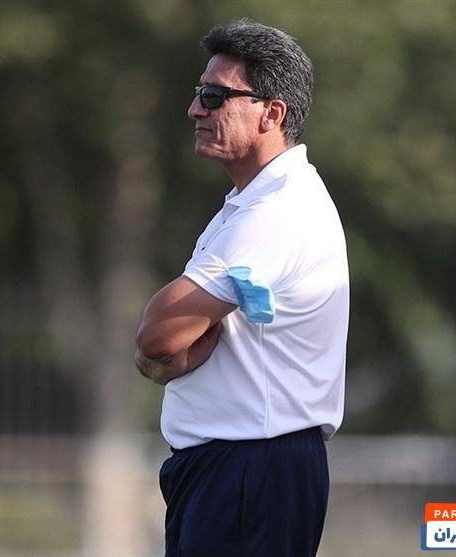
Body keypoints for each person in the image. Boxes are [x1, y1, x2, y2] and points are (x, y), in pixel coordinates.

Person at [134, 18, 349, 557]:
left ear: (271, 113)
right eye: (198, 93)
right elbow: (161, 347)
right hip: (238, 469)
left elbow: (157, 335)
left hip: (251, 471)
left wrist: (165, 354)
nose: (195, 110)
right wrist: (164, 355)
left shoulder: (277, 212)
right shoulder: (254, 203)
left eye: (214, 96)